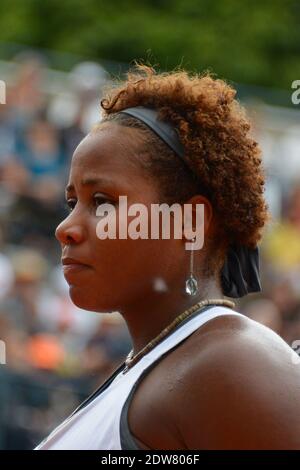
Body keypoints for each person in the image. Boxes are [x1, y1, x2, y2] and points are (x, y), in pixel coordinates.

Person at [35, 64, 300, 450]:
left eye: (103, 202)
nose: (66, 228)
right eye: (72, 202)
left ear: (190, 223)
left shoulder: (228, 365)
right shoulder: (161, 362)